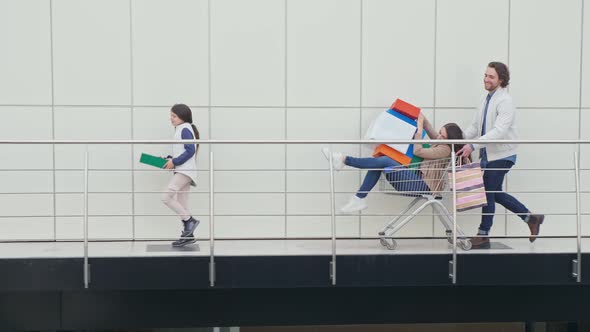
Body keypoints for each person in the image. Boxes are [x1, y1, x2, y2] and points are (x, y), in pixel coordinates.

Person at [457, 62, 544, 249]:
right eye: (485, 75)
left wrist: (472, 145)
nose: (486, 79)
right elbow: (474, 126)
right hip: (488, 154)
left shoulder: (505, 102)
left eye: (491, 77)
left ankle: (483, 234)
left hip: (503, 154)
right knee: (494, 192)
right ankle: (531, 218)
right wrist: (458, 139)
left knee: (488, 191)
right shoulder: (484, 99)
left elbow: (499, 131)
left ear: (501, 80)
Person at [323, 113, 466, 213]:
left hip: (423, 185)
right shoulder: (441, 142)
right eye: (440, 133)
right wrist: (421, 117)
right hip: (413, 178)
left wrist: (419, 129)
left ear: (450, 139)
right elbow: (429, 129)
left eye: (442, 135)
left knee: (385, 161)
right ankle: (358, 198)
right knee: (382, 162)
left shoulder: (445, 150)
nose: (438, 136)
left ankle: (343, 160)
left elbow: (418, 151)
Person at [161, 103, 201, 247]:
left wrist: (175, 161)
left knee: (165, 197)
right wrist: (171, 160)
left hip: (185, 171)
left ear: (182, 117)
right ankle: (188, 236)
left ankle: (190, 221)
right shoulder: (182, 129)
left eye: (174, 116)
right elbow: (184, 151)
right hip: (184, 170)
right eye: (171, 116)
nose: (171, 118)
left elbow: (190, 150)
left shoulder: (184, 129)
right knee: (183, 205)